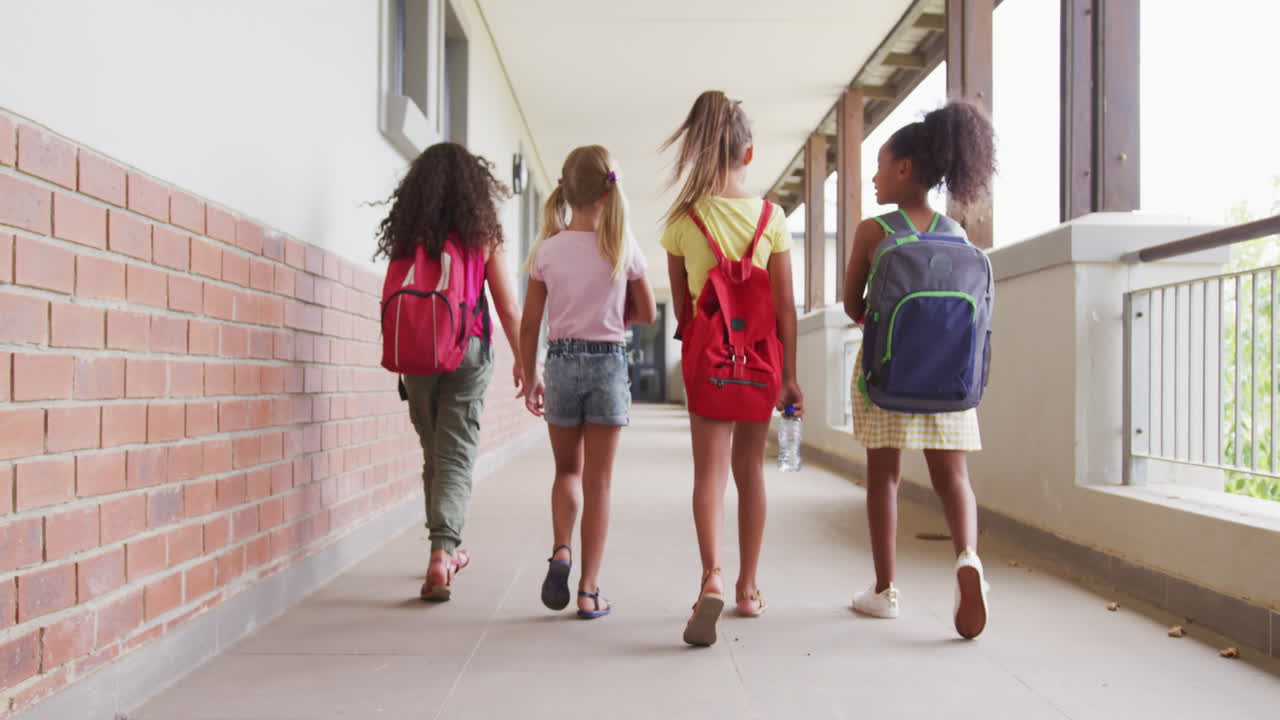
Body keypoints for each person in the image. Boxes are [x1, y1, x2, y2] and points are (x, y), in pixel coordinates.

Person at [841, 101, 997, 638]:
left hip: (888, 377)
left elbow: (851, 305)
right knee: (954, 478)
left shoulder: (873, 230)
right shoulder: (959, 237)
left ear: (905, 168)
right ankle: (969, 557)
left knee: (883, 479)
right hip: (950, 382)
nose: (876, 179)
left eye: (880, 167)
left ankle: (884, 590)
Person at [660, 91, 803, 646]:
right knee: (751, 471)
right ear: (749, 154)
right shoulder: (773, 219)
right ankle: (747, 587)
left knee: (709, 474)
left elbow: (684, 308)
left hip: (710, 363)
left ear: (697, 152)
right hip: (762, 362)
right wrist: (788, 376)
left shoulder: (682, 222)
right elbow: (786, 308)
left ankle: (711, 575)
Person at [373, 143, 524, 602]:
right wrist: (524, 359)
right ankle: (443, 551)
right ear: (474, 189)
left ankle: (443, 545)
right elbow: (506, 305)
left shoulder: (408, 234)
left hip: (417, 352)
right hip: (468, 347)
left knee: (436, 453)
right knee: (455, 452)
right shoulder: (481, 231)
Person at [520, 145, 656, 619]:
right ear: (608, 189)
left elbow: (530, 322)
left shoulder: (547, 250)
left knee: (567, 472)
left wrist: (530, 372)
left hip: (559, 361)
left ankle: (561, 550)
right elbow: (648, 312)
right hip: (608, 362)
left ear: (565, 188)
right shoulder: (622, 244)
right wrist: (614, 314)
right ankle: (589, 590)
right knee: (599, 483)